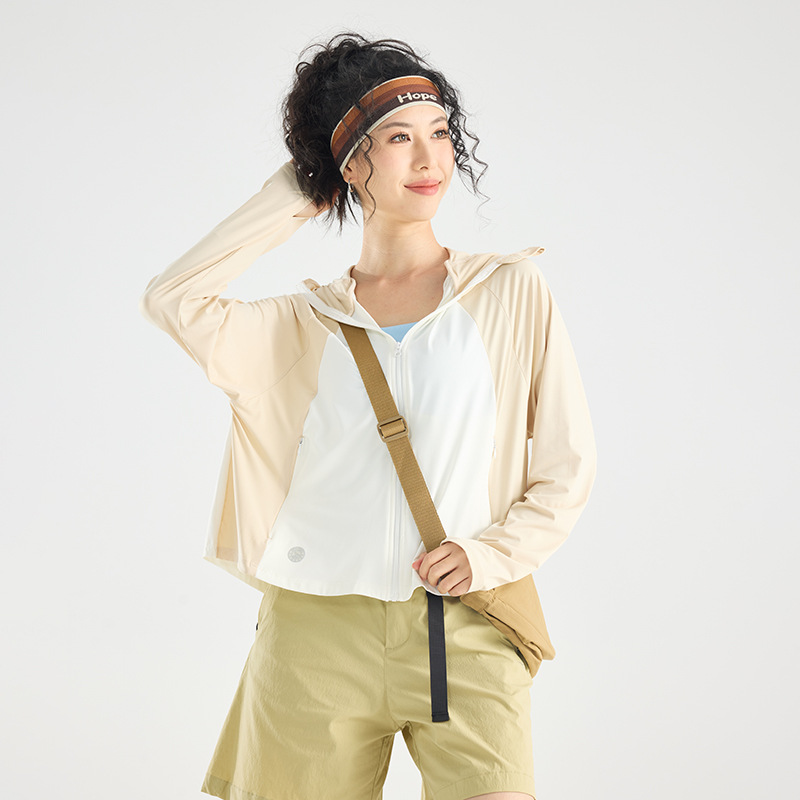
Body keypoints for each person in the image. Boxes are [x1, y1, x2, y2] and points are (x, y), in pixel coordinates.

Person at [139, 31, 597, 800]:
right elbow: (172, 300)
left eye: (440, 133)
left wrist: (490, 556)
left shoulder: (510, 292)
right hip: (314, 636)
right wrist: (299, 191)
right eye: (397, 138)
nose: (430, 158)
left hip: (466, 624)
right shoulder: (300, 325)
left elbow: (566, 464)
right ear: (353, 163)